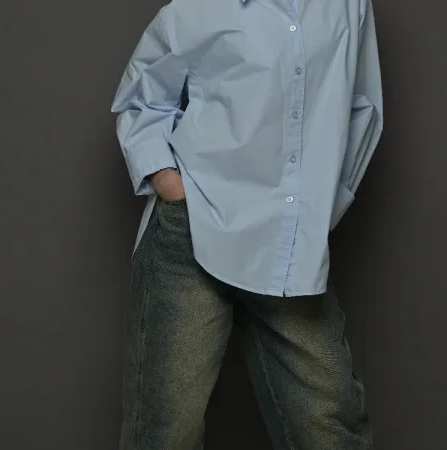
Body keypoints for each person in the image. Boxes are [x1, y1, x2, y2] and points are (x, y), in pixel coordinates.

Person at [110, 0, 383, 448]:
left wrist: (319, 211)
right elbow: (143, 100)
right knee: (165, 431)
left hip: (291, 242)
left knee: (331, 428)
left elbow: (362, 107)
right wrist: (170, 186)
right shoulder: (197, 7)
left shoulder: (346, 5)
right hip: (192, 230)